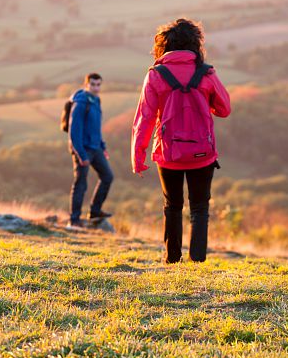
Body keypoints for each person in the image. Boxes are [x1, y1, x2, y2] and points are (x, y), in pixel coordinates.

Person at [131, 18, 231, 263]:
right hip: (202, 153)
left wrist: (138, 155)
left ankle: (172, 258)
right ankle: (197, 260)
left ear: (163, 46)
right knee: (199, 208)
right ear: (195, 44)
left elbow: (144, 118)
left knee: (172, 206)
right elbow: (225, 108)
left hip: (168, 153)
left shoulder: (155, 75)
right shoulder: (206, 73)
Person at [68, 73, 114, 228]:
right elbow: (74, 131)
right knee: (81, 183)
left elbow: (96, 127)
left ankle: (94, 211)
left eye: (98, 84)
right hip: (83, 149)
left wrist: (103, 147)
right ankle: (74, 220)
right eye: (93, 84)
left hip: (96, 148)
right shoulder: (81, 103)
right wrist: (80, 154)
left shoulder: (96, 100)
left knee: (107, 176)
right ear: (86, 84)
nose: (96, 87)